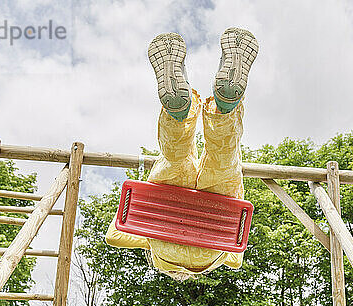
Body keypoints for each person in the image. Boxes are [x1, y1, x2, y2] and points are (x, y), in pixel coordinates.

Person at [105, 27, 258, 280]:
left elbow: (236, 260)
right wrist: (149, 236)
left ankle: (226, 106)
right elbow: (114, 236)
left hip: (214, 235)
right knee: (174, 156)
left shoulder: (220, 261)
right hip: (165, 217)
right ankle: (178, 113)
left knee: (224, 160)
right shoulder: (155, 247)